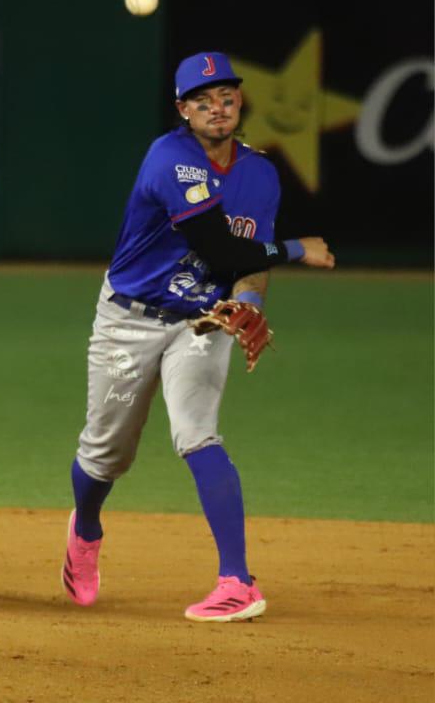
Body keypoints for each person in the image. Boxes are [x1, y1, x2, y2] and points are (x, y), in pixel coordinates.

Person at [62, 52, 336, 622]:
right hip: (128, 319)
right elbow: (223, 249)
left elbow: (247, 266)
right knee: (105, 453)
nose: (218, 107)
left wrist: (248, 303)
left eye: (227, 96)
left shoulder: (259, 173)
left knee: (198, 434)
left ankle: (237, 581)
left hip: (201, 321)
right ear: (183, 110)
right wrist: (296, 248)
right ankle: (85, 531)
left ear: (240, 103)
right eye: (203, 100)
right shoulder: (171, 159)